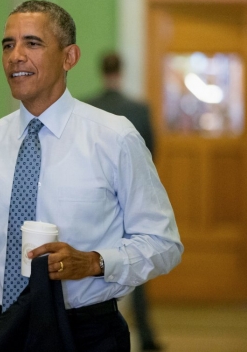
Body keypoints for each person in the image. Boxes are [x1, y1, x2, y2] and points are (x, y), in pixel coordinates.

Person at [0, 0, 183, 352]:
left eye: (32, 43)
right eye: (8, 45)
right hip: (3, 330)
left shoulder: (114, 138)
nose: (15, 56)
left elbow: (163, 244)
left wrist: (94, 262)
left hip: (87, 333)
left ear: (69, 57)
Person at [86, 52, 162, 351]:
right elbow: (151, 155)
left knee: (94, 263)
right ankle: (146, 335)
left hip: (94, 201)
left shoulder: (88, 108)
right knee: (137, 262)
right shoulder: (139, 109)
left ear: (100, 71)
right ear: (122, 71)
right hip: (130, 200)